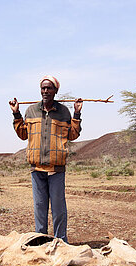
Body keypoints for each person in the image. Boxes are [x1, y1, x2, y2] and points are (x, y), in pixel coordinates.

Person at [9, 75, 82, 243]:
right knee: (39, 208)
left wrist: (77, 113)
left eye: (49, 88)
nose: (45, 91)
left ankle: (60, 242)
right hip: (36, 168)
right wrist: (16, 113)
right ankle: (40, 242)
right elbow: (22, 134)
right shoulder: (31, 111)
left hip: (56, 169)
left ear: (56, 91)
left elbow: (73, 134)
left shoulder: (64, 112)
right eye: (43, 88)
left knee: (58, 209)